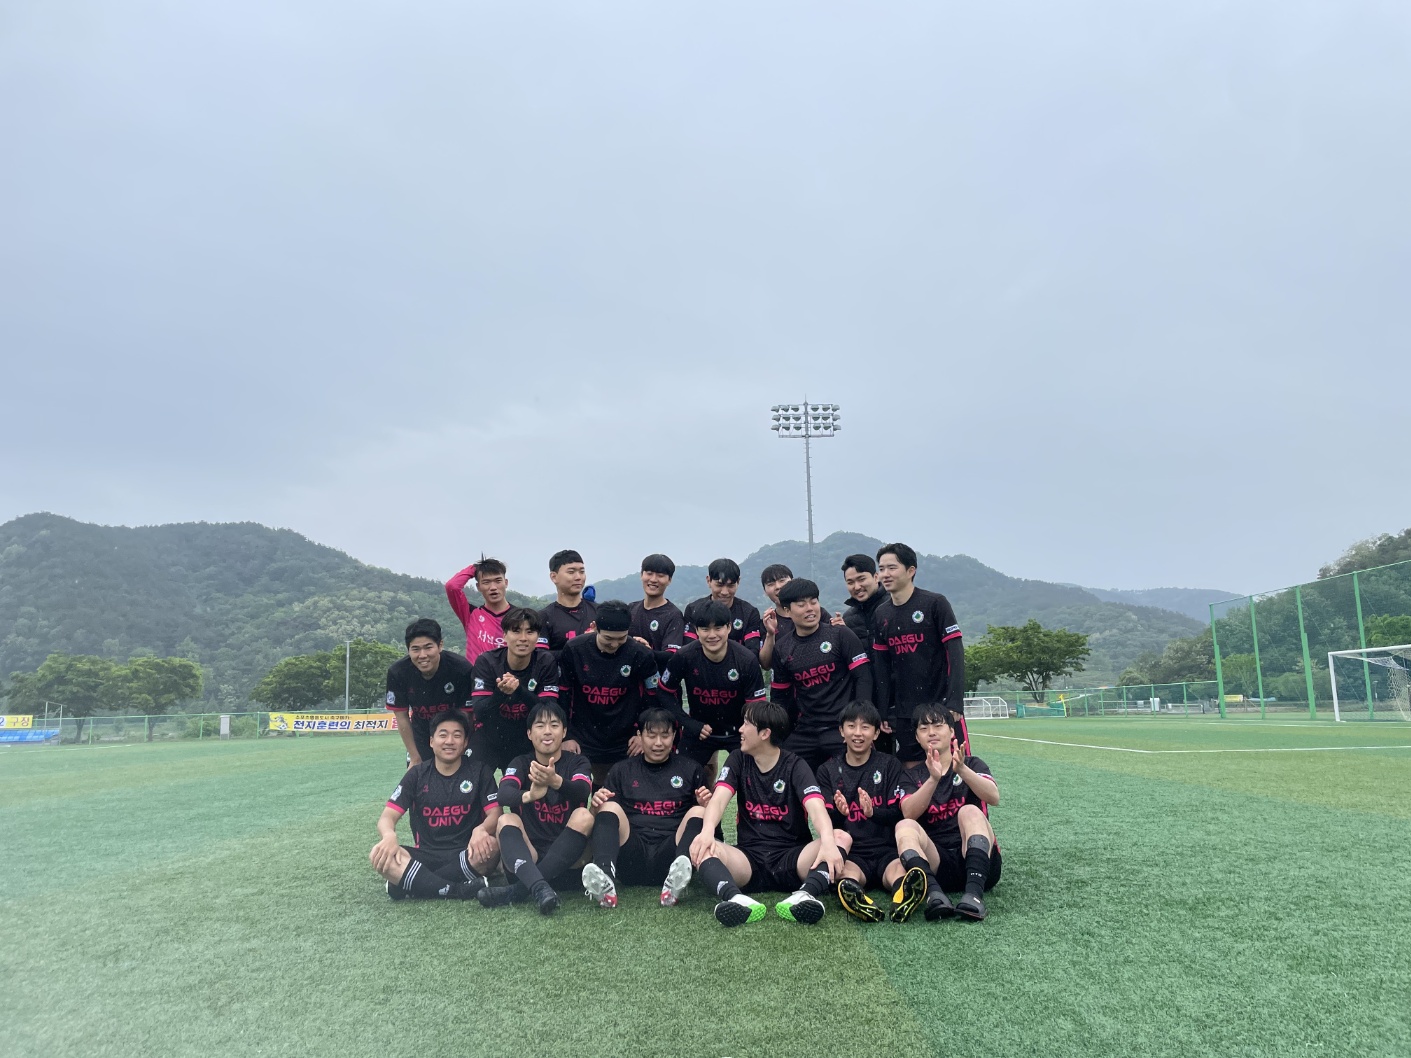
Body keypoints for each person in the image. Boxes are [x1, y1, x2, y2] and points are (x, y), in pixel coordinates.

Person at [688, 699, 847, 927]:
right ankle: (736, 899)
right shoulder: (738, 759)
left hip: (792, 859)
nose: (740, 729)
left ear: (765, 733)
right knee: (703, 846)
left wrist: (829, 842)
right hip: (748, 861)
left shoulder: (796, 765)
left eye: (746, 724)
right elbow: (719, 799)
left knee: (840, 837)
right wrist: (706, 832)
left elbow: (816, 808)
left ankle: (804, 895)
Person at [580, 707, 711, 909]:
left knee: (700, 811)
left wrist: (706, 806)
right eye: (651, 736)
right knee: (608, 805)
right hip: (631, 859)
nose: (658, 743)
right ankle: (605, 877)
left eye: (665, 736)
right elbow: (603, 817)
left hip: (671, 857)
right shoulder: (622, 770)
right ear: (639, 736)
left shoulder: (691, 769)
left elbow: (708, 827)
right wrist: (596, 807)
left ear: (674, 736)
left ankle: (676, 884)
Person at [369, 710, 501, 900]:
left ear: (465, 743)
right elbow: (387, 816)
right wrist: (389, 835)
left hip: (466, 852)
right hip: (424, 855)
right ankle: (456, 890)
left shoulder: (480, 771)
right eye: (443, 735)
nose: (449, 741)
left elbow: (495, 814)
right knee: (379, 854)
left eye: (457, 736)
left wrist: (480, 830)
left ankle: (411, 883)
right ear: (431, 741)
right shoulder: (416, 774)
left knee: (492, 847)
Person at [478, 702, 594, 914]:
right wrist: (529, 795)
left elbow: (582, 790)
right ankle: (539, 886)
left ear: (564, 732)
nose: (547, 731)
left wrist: (555, 781)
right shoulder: (521, 763)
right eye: (540, 725)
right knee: (506, 819)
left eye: (554, 725)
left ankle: (519, 891)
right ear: (529, 733)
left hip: (569, 867)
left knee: (583, 815)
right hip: (526, 861)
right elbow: (503, 795)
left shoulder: (577, 762)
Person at [895, 704, 1001, 921]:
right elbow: (909, 813)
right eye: (924, 728)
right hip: (937, 864)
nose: (931, 732)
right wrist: (933, 779)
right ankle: (934, 895)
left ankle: (974, 896)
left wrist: (961, 769)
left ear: (952, 731)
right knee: (903, 826)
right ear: (917, 737)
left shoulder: (972, 764)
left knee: (969, 811)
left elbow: (993, 797)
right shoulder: (911, 775)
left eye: (938, 725)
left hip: (978, 862)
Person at [871, 542, 967, 766]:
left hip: (940, 706)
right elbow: (882, 667)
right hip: (905, 712)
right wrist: (883, 711)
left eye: (892, 567)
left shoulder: (935, 603)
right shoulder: (881, 613)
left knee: (954, 766)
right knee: (910, 770)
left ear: (911, 570)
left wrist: (954, 702)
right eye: (881, 569)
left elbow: (955, 654)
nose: (885, 574)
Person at [814, 701, 908, 923]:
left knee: (899, 873)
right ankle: (857, 899)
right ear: (841, 731)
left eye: (865, 727)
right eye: (851, 726)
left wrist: (873, 813)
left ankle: (902, 898)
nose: (858, 733)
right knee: (846, 875)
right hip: (853, 853)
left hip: (887, 850)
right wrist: (840, 813)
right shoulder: (827, 770)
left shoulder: (890, 765)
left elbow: (899, 814)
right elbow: (827, 824)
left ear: (876, 733)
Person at [767, 579, 874, 771]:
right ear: (787, 611)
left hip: (841, 727)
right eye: (801, 605)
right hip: (806, 730)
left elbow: (863, 677)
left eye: (813, 602)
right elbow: (780, 697)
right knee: (782, 769)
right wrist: (779, 733)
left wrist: (860, 721)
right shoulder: (782, 648)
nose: (810, 609)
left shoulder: (840, 635)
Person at [557, 599, 660, 783]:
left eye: (621, 639)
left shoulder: (640, 654)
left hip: (625, 737)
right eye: (608, 639)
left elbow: (653, 698)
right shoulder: (574, 649)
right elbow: (564, 695)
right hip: (583, 735)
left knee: (621, 787)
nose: (614, 645)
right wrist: (566, 736)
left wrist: (642, 734)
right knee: (578, 786)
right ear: (595, 627)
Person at [657, 600, 766, 771]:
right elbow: (664, 692)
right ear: (696, 630)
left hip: (738, 732)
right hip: (699, 730)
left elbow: (757, 707)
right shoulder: (684, 656)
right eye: (705, 629)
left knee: (752, 777)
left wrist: (747, 732)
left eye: (718, 628)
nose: (712, 635)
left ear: (729, 627)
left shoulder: (746, 660)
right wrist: (689, 723)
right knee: (679, 777)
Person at [470, 606, 562, 771]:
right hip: (490, 738)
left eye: (530, 632)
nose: (523, 638)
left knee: (525, 787)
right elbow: (479, 711)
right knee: (473, 783)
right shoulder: (487, 662)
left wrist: (519, 691)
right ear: (504, 635)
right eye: (516, 631)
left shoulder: (545, 662)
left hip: (526, 740)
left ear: (538, 636)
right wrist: (500, 694)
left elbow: (548, 710)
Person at [384, 618, 476, 766]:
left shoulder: (461, 669)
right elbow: (401, 717)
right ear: (408, 650)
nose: (422, 655)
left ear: (440, 645)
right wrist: (414, 757)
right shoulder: (398, 672)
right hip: (421, 734)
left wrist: (459, 749)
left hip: (454, 733)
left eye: (428, 647)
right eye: (415, 649)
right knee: (420, 776)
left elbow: (466, 715)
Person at [683, 558, 762, 658]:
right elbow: (688, 649)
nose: (725, 592)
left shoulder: (749, 612)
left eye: (730, 585)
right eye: (719, 585)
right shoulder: (693, 610)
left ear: (738, 582)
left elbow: (753, 652)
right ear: (708, 581)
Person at [758, 563, 833, 669]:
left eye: (782, 580)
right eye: (771, 584)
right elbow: (766, 665)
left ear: (793, 582)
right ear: (765, 591)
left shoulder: (815, 613)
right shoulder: (768, 622)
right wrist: (770, 634)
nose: (778, 587)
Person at [444, 557, 512, 662]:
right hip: (475, 672)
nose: (493, 587)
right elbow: (452, 586)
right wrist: (475, 568)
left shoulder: (519, 617)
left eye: (498, 581)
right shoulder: (471, 615)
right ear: (478, 586)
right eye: (486, 582)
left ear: (506, 582)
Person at [628, 553, 686, 666]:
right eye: (649, 573)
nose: (653, 579)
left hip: (657, 676)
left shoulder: (673, 615)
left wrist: (645, 651)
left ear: (669, 580)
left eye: (660, 575)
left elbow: (672, 656)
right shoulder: (630, 609)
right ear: (641, 575)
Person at [538, 549, 597, 658]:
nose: (578, 577)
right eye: (571, 572)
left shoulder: (598, 612)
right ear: (554, 577)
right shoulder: (544, 617)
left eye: (582, 572)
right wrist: (581, 644)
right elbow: (540, 657)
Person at [839, 553, 888, 649]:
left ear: (876, 577)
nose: (857, 587)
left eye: (861, 579)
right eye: (850, 582)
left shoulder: (893, 605)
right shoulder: (848, 618)